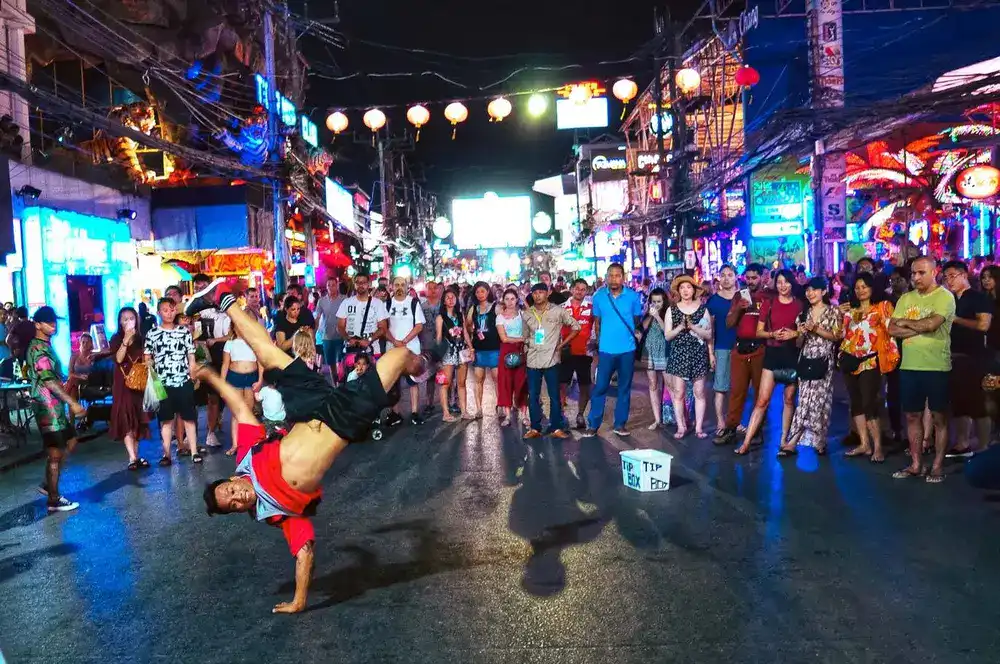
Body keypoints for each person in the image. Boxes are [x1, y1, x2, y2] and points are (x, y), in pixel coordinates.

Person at [192, 288, 429, 615]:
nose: (237, 497)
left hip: (309, 409)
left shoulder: (247, 458)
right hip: (342, 421)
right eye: (232, 504)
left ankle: (224, 300)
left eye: (230, 490)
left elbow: (240, 409)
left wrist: (208, 376)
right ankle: (420, 365)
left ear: (232, 479)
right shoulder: (278, 513)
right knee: (400, 357)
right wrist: (299, 600)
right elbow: (304, 551)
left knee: (269, 354)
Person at [889, 256, 955, 483]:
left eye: (921, 273)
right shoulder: (906, 298)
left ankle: (937, 465)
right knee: (912, 416)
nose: (916, 277)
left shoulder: (945, 297)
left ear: (933, 272)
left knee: (939, 418)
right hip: (909, 365)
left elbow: (933, 324)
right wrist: (920, 327)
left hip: (937, 366)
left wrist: (908, 323)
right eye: (913, 273)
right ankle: (916, 464)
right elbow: (892, 329)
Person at [736, 270, 803, 455]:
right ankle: (746, 443)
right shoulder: (769, 303)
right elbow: (759, 332)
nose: (783, 286)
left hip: (791, 354)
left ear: (792, 283)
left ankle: (784, 440)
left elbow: (804, 332)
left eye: (786, 282)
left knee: (789, 399)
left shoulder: (799, 305)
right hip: (772, 353)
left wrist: (794, 333)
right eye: (779, 282)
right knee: (762, 400)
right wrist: (772, 334)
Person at [26, 306, 85, 512]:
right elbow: (49, 382)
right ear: (37, 324)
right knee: (55, 452)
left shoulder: (45, 345)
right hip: (47, 408)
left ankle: (48, 485)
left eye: (54, 321)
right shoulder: (37, 349)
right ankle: (53, 498)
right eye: (48, 322)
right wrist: (73, 402)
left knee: (70, 441)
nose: (53, 325)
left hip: (55, 408)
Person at [780, 277, 840, 456]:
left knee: (820, 402)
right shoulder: (803, 314)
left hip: (824, 360)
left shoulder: (833, 312)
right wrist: (798, 334)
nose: (810, 293)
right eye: (807, 290)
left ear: (823, 291)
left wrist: (815, 329)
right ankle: (793, 440)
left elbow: (836, 336)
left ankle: (820, 440)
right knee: (805, 400)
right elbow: (799, 343)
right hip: (806, 360)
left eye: (814, 289)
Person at [586, 263, 643, 437]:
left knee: (624, 388)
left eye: (617, 275)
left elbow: (636, 320)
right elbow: (598, 322)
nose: (613, 279)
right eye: (610, 275)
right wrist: (598, 343)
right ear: (606, 277)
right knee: (600, 387)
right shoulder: (599, 297)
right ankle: (593, 424)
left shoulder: (633, 297)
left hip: (627, 349)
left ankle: (620, 424)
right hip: (605, 350)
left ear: (623, 277)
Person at [942, 260, 993, 456]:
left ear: (964, 275)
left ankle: (984, 446)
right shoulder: (948, 299)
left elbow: (983, 325)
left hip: (974, 357)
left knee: (978, 403)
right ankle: (962, 443)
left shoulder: (977, 298)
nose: (949, 280)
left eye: (952, 275)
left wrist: (955, 319)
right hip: (952, 356)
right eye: (946, 277)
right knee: (959, 403)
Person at [146, 297, 201, 465]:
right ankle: (166, 454)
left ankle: (194, 451)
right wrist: (152, 371)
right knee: (166, 420)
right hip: (161, 383)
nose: (169, 313)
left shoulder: (184, 331)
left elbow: (191, 355)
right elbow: (148, 357)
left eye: (171, 310)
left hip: (183, 380)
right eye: (165, 310)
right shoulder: (152, 333)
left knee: (189, 417)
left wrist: (193, 374)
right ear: (159, 313)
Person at [521, 283, 580, 439]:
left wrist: (561, 345)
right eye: (535, 293)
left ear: (547, 294)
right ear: (532, 295)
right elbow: (525, 336)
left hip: (552, 360)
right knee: (533, 396)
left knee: (554, 395)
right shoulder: (527, 313)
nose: (538, 295)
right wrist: (529, 346)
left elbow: (576, 327)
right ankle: (535, 428)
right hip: (533, 360)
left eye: (541, 292)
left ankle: (556, 427)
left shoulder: (558, 311)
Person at [718, 263, 768, 445]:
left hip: (760, 349)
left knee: (759, 393)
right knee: (737, 391)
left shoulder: (768, 296)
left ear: (764, 277)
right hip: (739, 349)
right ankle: (730, 429)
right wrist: (739, 307)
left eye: (754, 277)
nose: (751, 281)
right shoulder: (739, 296)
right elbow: (729, 323)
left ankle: (757, 430)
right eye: (748, 278)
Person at [664, 276, 713, 439]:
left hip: (698, 353)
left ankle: (698, 428)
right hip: (679, 353)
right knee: (679, 393)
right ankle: (681, 426)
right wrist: (680, 327)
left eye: (689, 287)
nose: (685, 290)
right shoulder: (672, 309)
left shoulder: (702, 309)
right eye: (682, 287)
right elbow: (668, 335)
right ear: (678, 291)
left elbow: (708, 334)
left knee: (699, 392)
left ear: (694, 290)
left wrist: (692, 327)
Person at [110, 307, 150, 470]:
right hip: (122, 382)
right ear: (120, 322)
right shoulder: (116, 338)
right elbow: (118, 358)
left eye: (131, 318)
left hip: (139, 382)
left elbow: (147, 357)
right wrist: (126, 339)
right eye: (124, 319)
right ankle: (132, 457)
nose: (128, 322)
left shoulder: (142, 338)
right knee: (126, 417)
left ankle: (136, 455)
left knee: (137, 419)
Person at [386, 276, 427, 425]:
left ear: (407, 287)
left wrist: (404, 341)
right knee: (393, 382)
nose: (399, 287)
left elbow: (419, 326)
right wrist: (394, 341)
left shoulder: (414, 303)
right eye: (396, 284)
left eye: (402, 285)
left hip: (411, 348)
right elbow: (383, 326)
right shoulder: (387, 303)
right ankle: (396, 413)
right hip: (392, 349)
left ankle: (414, 412)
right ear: (392, 286)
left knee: (413, 381)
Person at [706, 265, 738, 440]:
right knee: (720, 388)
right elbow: (709, 330)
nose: (726, 278)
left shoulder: (742, 298)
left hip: (741, 348)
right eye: (723, 275)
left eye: (730, 275)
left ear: (735, 277)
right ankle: (720, 422)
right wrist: (710, 352)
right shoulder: (714, 301)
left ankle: (734, 420)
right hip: (722, 348)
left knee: (738, 388)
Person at [559, 278, 595, 430]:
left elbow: (596, 327)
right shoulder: (561, 308)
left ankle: (580, 414)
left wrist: (594, 345)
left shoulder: (592, 307)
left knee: (585, 385)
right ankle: (560, 414)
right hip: (566, 352)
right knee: (562, 384)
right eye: (577, 288)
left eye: (583, 289)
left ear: (586, 291)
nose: (580, 291)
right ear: (572, 289)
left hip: (584, 353)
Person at [221, 325, 263, 454]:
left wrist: (260, 380)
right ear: (233, 327)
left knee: (248, 411)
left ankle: (248, 443)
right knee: (236, 412)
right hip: (234, 377)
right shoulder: (230, 343)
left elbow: (260, 363)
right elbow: (225, 364)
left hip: (251, 378)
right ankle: (235, 444)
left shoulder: (253, 342)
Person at [436, 289, 473, 422]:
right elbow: (439, 338)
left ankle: (464, 411)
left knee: (462, 383)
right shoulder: (441, 317)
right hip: (448, 352)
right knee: (445, 383)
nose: (451, 299)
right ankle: (446, 413)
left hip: (461, 350)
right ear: (444, 301)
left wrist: (471, 347)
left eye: (453, 297)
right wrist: (438, 357)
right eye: (448, 297)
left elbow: (466, 333)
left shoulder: (459, 314)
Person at [336, 274, 389, 366]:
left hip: (372, 350)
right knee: (350, 378)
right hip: (351, 350)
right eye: (358, 282)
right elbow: (340, 326)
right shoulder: (346, 303)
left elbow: (383, 328)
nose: (360, 285)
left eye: (363, 282)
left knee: (371, 378)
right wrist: (348, 339)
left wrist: (369, 340)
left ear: (368, 284)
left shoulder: (378, 304)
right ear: (354, 284)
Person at [466, 281, 500, 420]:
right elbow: (467, 324)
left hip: (494, 348)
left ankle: (501, 405)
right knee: (478, 379)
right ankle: (479, 409)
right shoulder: (473, 308)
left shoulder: (496, 307)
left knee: (497, 379)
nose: (480, 294)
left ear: (488, 292)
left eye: (483, 291)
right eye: (477, 292)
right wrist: (472, 334)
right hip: (479, 349)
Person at [495, 287, 528, 427]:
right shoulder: (500, 316)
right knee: (506, 383)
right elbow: (504, 338)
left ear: (517, 300)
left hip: (521, 351)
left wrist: (524, 299)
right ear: (503, 300)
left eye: (513, 299)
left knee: (522, 383)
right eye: (507, 299)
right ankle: (508, 416)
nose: (510, 302)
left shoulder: (523, 314)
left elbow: (533, 313)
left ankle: (525, 415)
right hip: (507, 351)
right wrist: (523, 339)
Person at [640, 288, 669, 430]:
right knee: (653, 384)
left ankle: (670, 416)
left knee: (669, 384)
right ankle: (657, 419)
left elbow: (667, 331)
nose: (656, 304)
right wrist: (651, 315)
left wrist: (657, 316)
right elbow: (643, 328)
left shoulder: (668, 314)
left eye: (659, 301)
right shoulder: (647, 314)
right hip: (649, 350)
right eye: (654, 301)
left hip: (664, 351)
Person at [315, 278, 347, 385]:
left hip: (341, 335)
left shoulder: (344, 299)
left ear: (337, 285)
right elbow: (318, 317)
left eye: (333, 285)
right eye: (329, 285)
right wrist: (314, 332)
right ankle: (335, 385)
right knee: (331, 363)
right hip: (327, 336)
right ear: (326, 286)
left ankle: (342, 384)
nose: (331, 287)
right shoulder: (321, 301)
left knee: (341, 362)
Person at [419, 281, 443, 415]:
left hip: (443, 345)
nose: (433, 291)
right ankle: (429, 402)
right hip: (427, 345)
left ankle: (451, 401)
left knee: (447, 374)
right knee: (430, 376)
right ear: (426, 290)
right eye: (430, 288)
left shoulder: (443, 306)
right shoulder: (421, 307)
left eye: (435, 288)